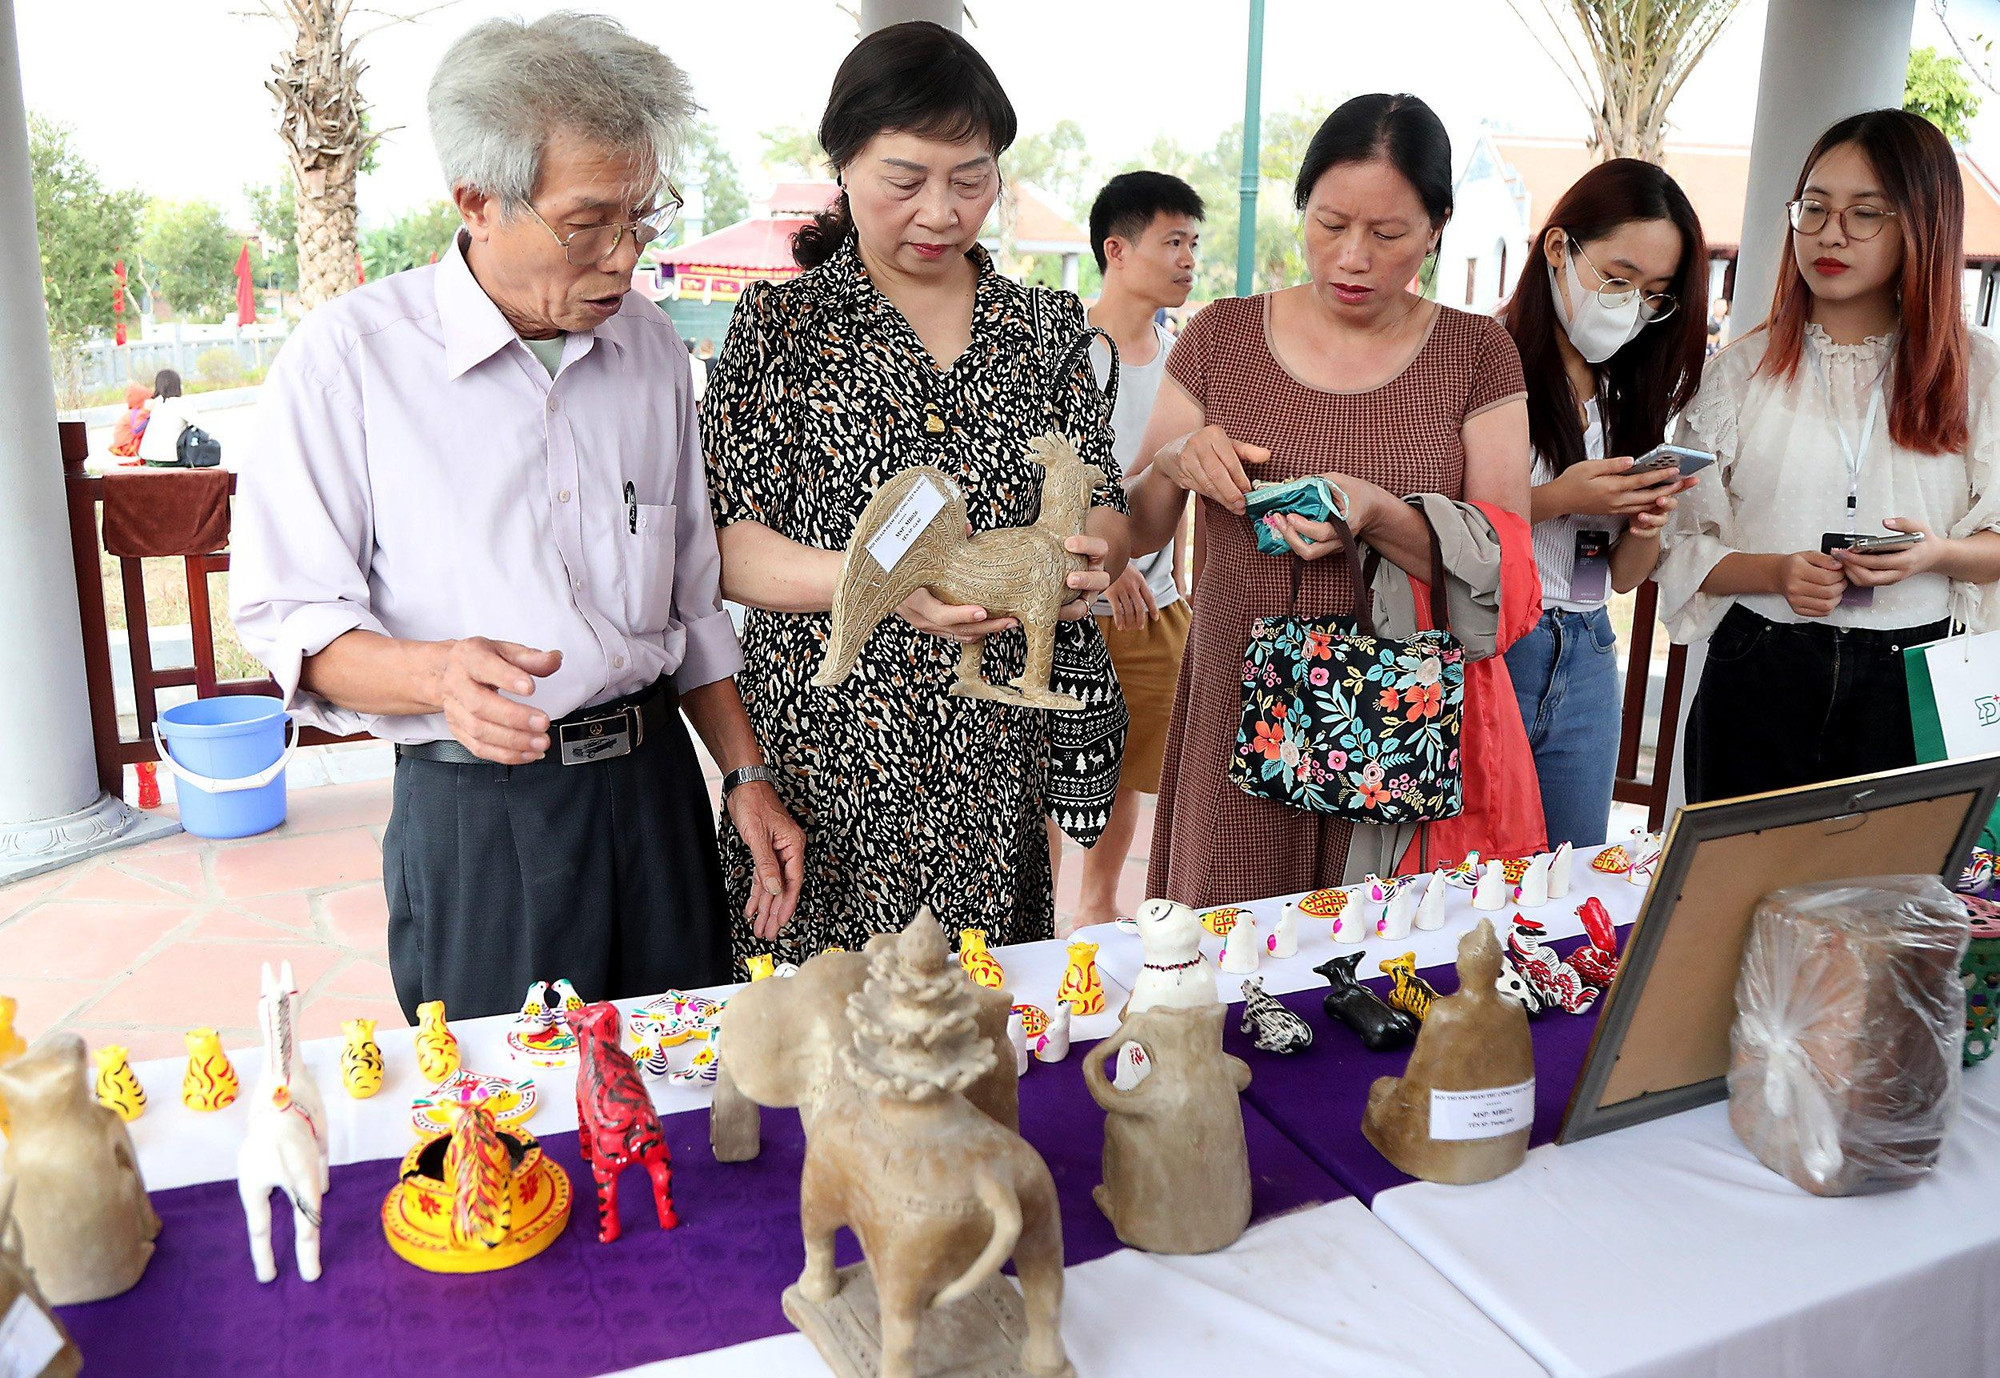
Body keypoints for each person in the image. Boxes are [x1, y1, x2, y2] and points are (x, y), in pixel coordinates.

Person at [231, 14, 804, 1022]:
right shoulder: (352, 363)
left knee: (685, 1085)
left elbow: (689, 601)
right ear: (477, 202)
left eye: (643, 217)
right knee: (503, 1134)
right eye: (588, 224)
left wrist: (743, 774)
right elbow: (291, 622)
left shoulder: (650, 352)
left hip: (655, 790)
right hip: (483, 812)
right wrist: (433, 676)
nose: (624, 258)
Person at [702, 21, 1127, 966]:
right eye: (905, 181)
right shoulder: (781, 328)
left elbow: (1097, 498)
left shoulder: (1045, 325)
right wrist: (885, 583)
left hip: (992, 751)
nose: (940, 211)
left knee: (976, 1024)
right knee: (818, 1043)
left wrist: (1089, 553)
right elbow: (730, 546)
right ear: (843, 168)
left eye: (970, 181)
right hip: (827, 749)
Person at [1123, 93, 1530, 906]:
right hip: (1234, 706)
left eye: (1388, 235)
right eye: (1330, 222)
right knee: (1224, 970)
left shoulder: (1476, 353)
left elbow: (1503, 566)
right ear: (1301, 205)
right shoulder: (1221, 338)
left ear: (1437, 226)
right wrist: (1172, 460)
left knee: (1375, 974)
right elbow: (1135, 529)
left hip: (1394, 725)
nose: (1352, 257)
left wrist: (1379, 513)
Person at [1658, 108, 2000, 802]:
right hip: (1761, 665)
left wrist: (1937, 555)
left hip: (1915, 674)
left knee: (1889, 900)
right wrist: (1777, 571)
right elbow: (1679, 542)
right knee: (1738, 893)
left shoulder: (1979, 374)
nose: (1830, 234)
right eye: (1814, 208)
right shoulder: (1740, 373)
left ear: (1921, 224)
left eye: (1864, 213)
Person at [1497, 159, 1708, 847]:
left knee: (1568, 873)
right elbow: (1439, 517)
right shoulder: (1485, 362)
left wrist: (1648, 521)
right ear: (1559, 249)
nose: (1633, 306)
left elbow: (1622, 575)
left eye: (1654, 293)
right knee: (1466, 878)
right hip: (1494, 646)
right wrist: (1560, 497)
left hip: (1587, 648)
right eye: (1617, 280)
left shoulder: (1630, 394)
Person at [1050, 170, 1203, 931]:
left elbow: (1169, 477)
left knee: (1134, 771)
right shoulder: (1068, 350)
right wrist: (1105, 580)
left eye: (1194, 244)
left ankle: (1097, 908)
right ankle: (1031, 926)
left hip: (1156, 605)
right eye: (1172, 241)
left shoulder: (1183, 355)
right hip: (1075, 602)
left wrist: (1167, 571)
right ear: (1117, 248)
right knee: (1057, 770)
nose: (1187, 259)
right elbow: (1056, 482)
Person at [135, 369, 189, 465]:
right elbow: (204, 428)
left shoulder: (154, 403)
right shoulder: (181, 404)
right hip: (170, 460)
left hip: (147, 457)